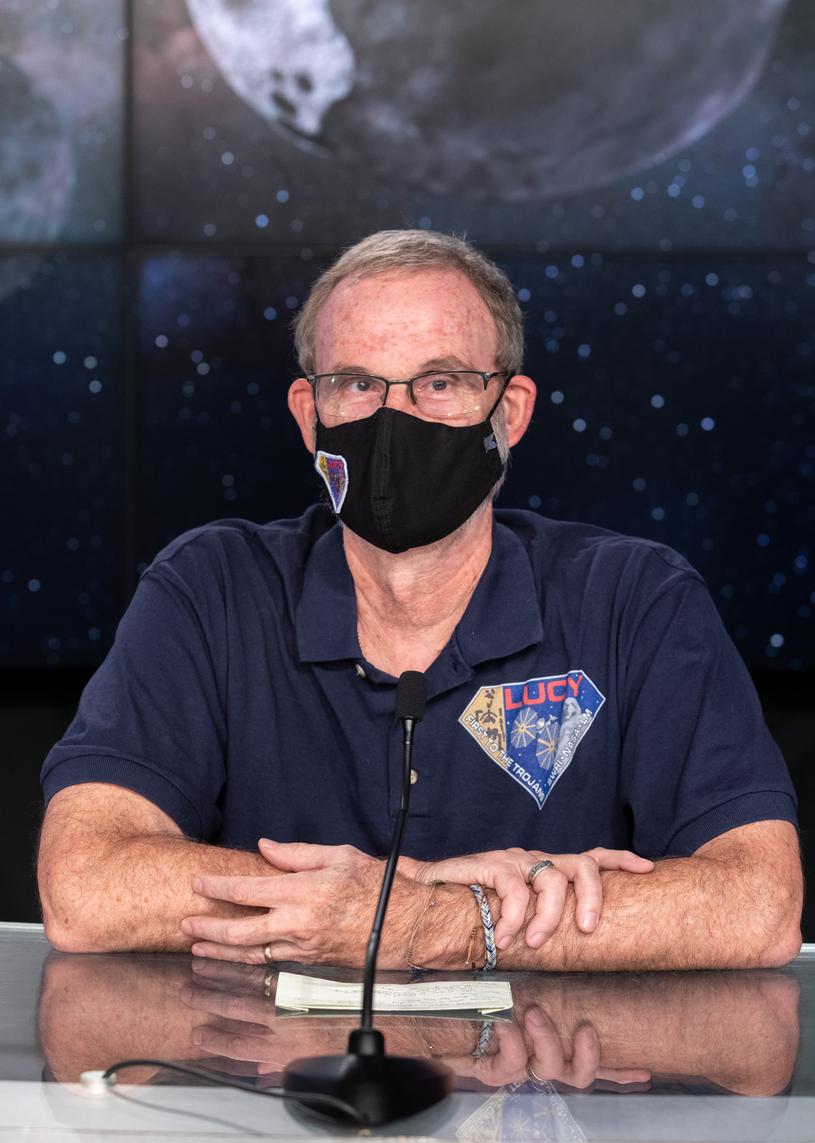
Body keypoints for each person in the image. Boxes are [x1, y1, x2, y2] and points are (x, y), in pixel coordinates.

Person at [38, 230, 802, 972]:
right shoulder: (211, 590)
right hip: (271, 1093)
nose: (393, 419)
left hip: (553, 1091)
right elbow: (85, 885)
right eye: (358, 384)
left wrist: (441, 924)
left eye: (439, 382)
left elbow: (758, 905)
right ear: (310, 415)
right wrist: (389, 907)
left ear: (509, 412)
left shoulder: (636, 601)